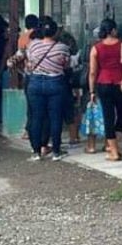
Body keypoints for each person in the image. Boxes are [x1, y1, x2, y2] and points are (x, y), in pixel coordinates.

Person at [26, 17, 70, 161]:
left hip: (35, 83)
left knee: (36, 118)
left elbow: (30, 63)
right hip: (56, 83)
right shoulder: (63, 47)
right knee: (55, 117)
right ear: (55, 31)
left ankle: (36, 152)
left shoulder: (33, 45)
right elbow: (66, 65)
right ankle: (56, 152)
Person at [88, 19, 122, 161]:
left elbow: (92, 72)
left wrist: (92, 91)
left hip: (103, 84)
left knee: (108, 117)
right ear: (113, 30)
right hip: (121, 83)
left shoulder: (96, 48)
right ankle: (114, 147)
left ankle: (114, 150)